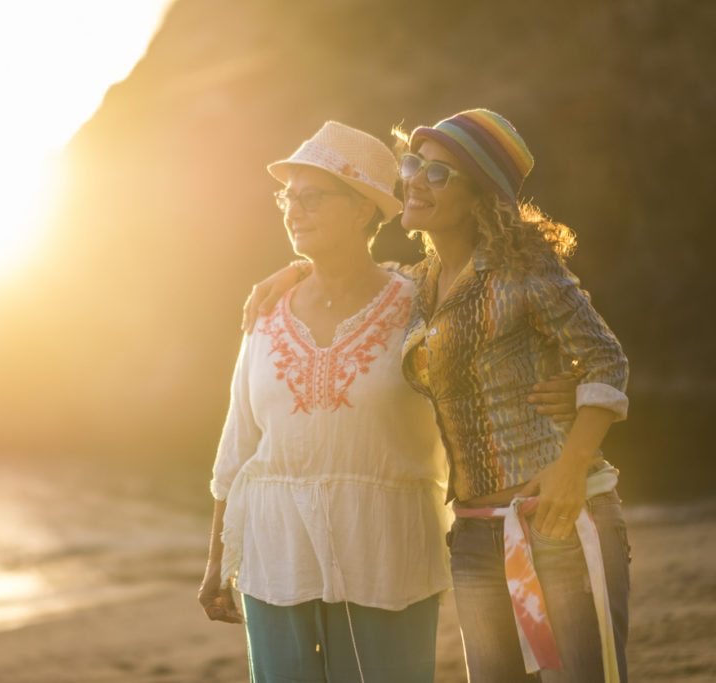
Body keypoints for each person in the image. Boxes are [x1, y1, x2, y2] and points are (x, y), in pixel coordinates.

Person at [242, 109, 630, 683]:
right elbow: (357, 278)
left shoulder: (524, 270)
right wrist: (297, 271)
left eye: (440, 173)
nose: (416, 180)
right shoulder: (418, 284)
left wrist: (572, 469)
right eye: (413, 164)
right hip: (473, 529)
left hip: (555, 517)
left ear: (480, 195)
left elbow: (606, 359)